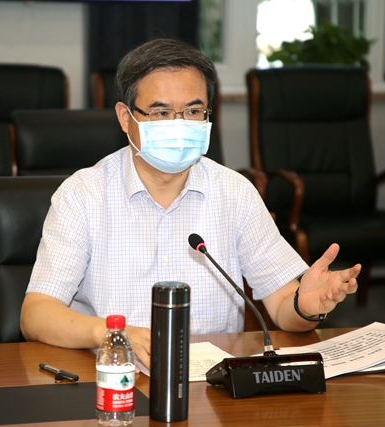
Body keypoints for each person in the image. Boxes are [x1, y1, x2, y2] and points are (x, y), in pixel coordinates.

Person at [20, 38, 361, 369]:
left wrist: (305, 306)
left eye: (193, 111)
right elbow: (36, 313)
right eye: (161, 112)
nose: (179, 125)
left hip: (213, 387)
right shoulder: (82, 195)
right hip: (113, 379)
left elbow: (283, 305)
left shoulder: (235, 193)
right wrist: (113, 333)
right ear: (125, 117)